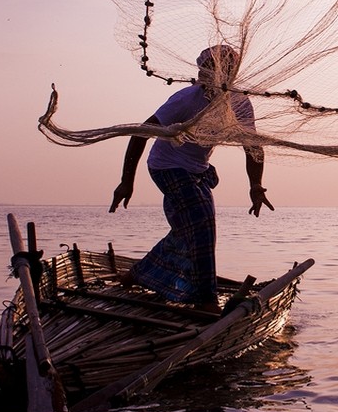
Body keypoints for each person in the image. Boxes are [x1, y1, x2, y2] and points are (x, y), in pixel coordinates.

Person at [110, 44, 273, 309]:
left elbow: (252, 147)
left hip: (198, 170)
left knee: (192, 229)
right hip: (166, 165)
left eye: (227, 69)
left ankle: (137, 274)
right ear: (203, 71)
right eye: (212, 68)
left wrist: (256, 186)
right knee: (201, 224)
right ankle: (205, 300)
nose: (219, 74)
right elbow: (141, 132)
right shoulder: (186, 99)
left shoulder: (239, 103)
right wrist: (127, 181)